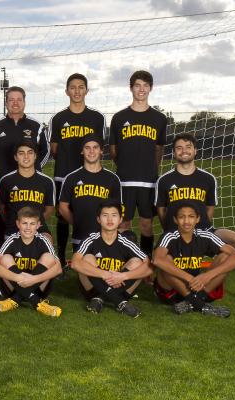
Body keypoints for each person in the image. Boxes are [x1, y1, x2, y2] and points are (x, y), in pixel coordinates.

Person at [155, 133, 235, 308]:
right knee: (165, 261)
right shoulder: (164, 180)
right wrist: (171, 228)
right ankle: (193, 295)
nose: (184, 151)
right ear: (174, 153)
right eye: (179, 148)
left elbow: (209, 209)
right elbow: (161, 209)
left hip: (204, 230)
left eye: (188, 147)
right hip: (177, 232)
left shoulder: (208, 179)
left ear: (195, 150)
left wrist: (203, 230)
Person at [109, 70, 167, 258]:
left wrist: (150, 169)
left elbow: (159, 149)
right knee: (123, 224)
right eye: (137, 85)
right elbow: (113, 151)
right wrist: (127, 165)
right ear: (131, 88)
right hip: (125, 181)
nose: (141, 89)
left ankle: (146, 262)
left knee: (146, 224)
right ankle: (122, 260)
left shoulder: (159, 119)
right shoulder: (119, 117)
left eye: (145, 86)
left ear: (150, 88)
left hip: (148, 181)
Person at [49, 73, 107, 261]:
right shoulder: (58, 118)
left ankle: (96, 255)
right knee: (62, 216)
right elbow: (54, 149)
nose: (77, 91)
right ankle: (61, 258)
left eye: (81, 87)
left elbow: (99, 146)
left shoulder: (97, 118)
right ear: (67, 91)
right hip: (64, 175)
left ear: (86, 91)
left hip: (90, 174)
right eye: (72, 87)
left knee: (92, 213)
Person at [0, 86, 49, 249]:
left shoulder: (36, 126)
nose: (15, 103)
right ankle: (2, 257)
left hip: (32, 184)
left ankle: (35, 255)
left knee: (33, 223)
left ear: (24, 102)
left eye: (19, 99)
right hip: (3, 183)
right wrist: (4, 171)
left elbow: (45, 151)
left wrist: (29, 170)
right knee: (3, 224)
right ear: (6, 103)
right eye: (11, 99)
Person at [152, 202, 235, 317]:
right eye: (181, 217)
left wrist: (206, 276)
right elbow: (157, 260)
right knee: (166, 260)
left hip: (198, 287)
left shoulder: (205, 235)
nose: (186, 221)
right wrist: (189, 278)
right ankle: (199, 304)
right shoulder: (169, 235)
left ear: (197, 219)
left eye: (191, 217)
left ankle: (194, 300)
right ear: (175, 220)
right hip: (172, 289)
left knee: (225, 257)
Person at [71, 199, 151, 317]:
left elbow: (149, 265)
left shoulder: (126, 242)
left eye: (114, 215)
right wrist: (104, 274)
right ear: (98, 219)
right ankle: (119, 303)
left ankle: (100, 299)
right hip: (92, 290)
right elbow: (74, 263)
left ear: (120, 220)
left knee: (137, 262)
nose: (109, 219)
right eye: (105, 215)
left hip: (121, 288)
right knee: (86, 258)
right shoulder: (91, 238)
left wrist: (123, 276)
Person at [0, 207, 62, 317]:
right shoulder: (12, 239)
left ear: (38, 225)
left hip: (38, 287)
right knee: (5, 259)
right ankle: (36, 302)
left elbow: (58, 269)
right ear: (18, 224)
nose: (28, 227)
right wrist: (18, 278)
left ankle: (14, 300)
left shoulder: (43, 241)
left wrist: (34, 279)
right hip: (13, 287)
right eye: (24, 223)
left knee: (49, 258)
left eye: (32, 224)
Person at [58, 135, 122, 252]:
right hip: (80, 237)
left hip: (105, 238)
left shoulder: (112, 179)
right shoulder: (71, 178)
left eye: (95, 147)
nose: (91, 151)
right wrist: (76, 222)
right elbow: (63, 207)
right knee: (83, 269)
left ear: (101, 150)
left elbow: (118, 209)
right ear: (82, 151)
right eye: (87, 148)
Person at [0, 140, 55, 243]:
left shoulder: (47, 181)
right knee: (8, 258)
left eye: (30, 152)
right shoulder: (6, 181)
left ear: (35, 156)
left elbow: (49, 208)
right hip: (13, 230)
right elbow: (1, 208)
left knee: (47, 241)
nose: (26, 156)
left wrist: (34, 224)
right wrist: (12, 222)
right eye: (21, 153)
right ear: (15, 157)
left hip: (38, 229)